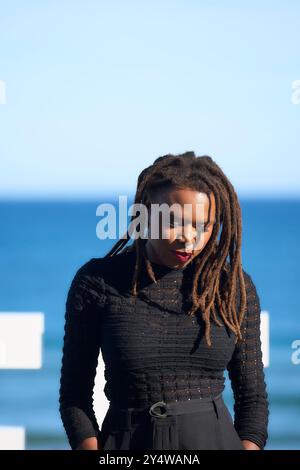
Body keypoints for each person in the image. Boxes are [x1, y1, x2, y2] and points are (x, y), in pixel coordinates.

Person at [59, 151, 269, 450]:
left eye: (204, 226)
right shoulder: (98, 282)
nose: (189, 239)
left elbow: (253, 399)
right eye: (175, 221)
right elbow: (74, 396)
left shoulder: (231, 286)